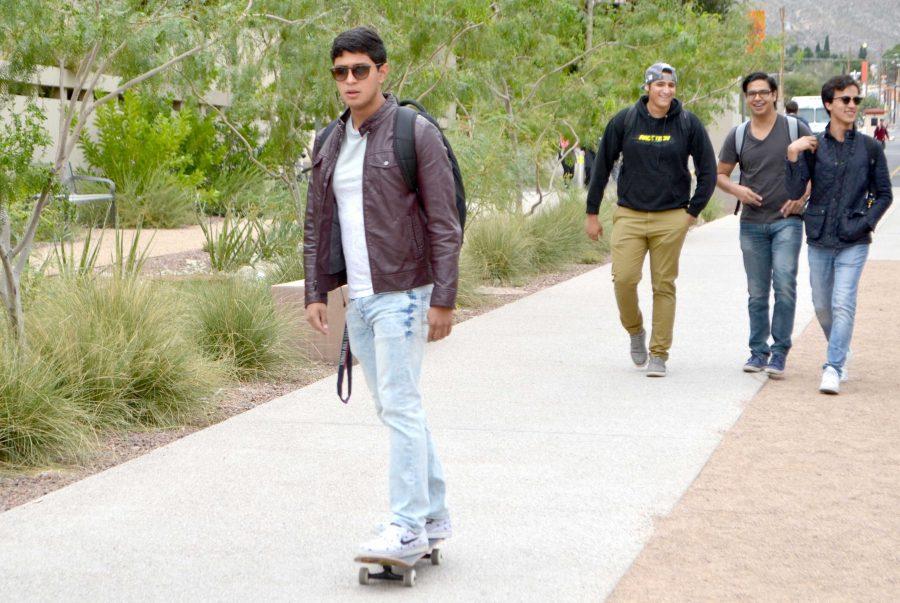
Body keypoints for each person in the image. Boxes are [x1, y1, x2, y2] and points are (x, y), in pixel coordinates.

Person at [303, 27, 462, 557]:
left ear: (382, 71)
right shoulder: (329, 141)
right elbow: (317, 223)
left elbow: (444, 222)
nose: (349, 80)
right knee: (398, 407)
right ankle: (433, 517)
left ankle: (406, 524)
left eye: (360, 70)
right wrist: (316, 291)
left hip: (405, 293)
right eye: (340, 71)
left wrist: (443, 297)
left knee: (399, 406)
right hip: (361, 297)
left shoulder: (413, 132)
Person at [585, 62, 717, 377]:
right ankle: (635, 330)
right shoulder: (625, 120)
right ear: (647, 88)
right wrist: (592, 213)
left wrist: (691, 213)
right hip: (629, 215)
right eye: (659, 85)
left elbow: (708, 171)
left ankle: (659, 354)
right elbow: (601, 166)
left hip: (671, 217)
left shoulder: (688, 123)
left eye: (671, 86)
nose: (666, 91)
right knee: (625, 279)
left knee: (664, 285)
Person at [785, 75, 893, 394]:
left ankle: (832, 366)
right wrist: (793, 153)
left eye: (855, 100)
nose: (851, 105)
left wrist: (865, 223)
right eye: (845, 99)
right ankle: (841, 347)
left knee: (843, 302)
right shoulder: (813, 147)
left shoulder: (870, 147)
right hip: (819, 235)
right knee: (821, 303)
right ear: (828, 104)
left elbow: (885, 194)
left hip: (853, 239)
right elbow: (794, 191)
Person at [716, 72, 812, 378]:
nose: (757, 98)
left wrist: (802, 198)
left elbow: (816, 170)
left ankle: (779, 351)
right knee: (757, 292)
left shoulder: (795, 127)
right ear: (746, 99)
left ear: (774, 95)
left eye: (762, 92)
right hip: (752, 224)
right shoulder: (738, 134)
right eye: (751, 94)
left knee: (784, 284)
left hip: (787, 222)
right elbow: (719, 174)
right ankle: (758, 351)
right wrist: (737, 190)